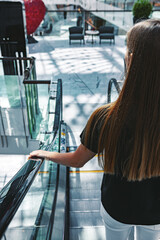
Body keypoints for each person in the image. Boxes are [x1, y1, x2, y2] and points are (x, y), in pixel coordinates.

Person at [28, 19, 160, 240]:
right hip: (155, 211)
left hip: (117, 207)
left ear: (130, 61)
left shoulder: (105, 118)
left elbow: (77, 160)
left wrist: (46, 153)